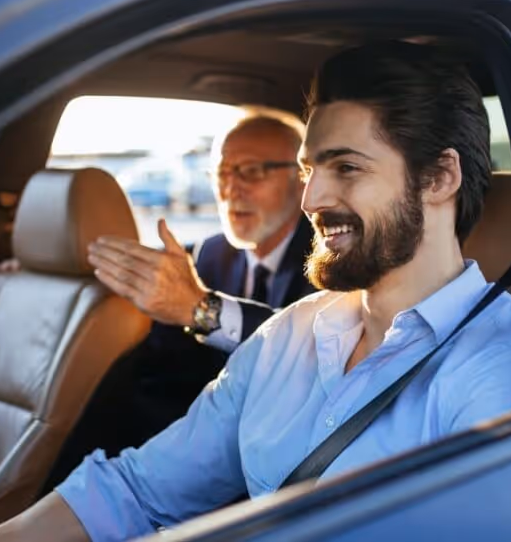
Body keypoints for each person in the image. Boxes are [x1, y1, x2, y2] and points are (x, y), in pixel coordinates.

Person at [0, 41, 511, 542]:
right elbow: (134, 491)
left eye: (347, 168)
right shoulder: (289, 333)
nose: (310, 199)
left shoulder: (497, 369)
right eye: (309, 168)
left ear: (439, 179)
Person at [42, 114, 318, 486]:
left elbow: (312, 349)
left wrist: (200, 309)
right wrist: (51, 269)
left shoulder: (328, 258)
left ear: (302, 177)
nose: (231, 188)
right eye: (221, 173)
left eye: (251, 171)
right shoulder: (211, 254)